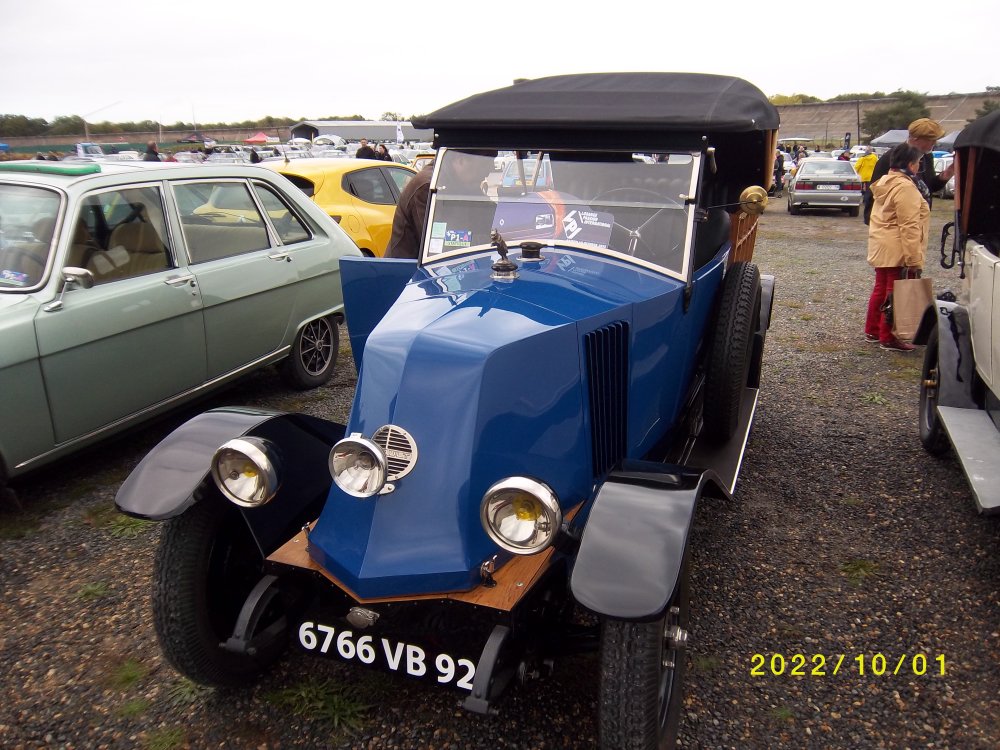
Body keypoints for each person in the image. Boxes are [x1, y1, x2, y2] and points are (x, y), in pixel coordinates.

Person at [864, 143, 930, 352]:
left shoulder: (885, 181)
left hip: (883, 243)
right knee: (896, 291)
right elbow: (909, 224)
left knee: (882, 287)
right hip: (898, 246)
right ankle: (889, 335)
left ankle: (873, 330)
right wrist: (914, 258)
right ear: (910, 165)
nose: (918, 167)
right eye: (918, 163)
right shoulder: (905, 187)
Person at [863, 118, 954, 224]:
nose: (935, 143)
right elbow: (875, 192)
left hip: (918, 221)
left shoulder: (926, 156)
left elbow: (930, 187)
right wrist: (876, 223)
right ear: (915, 139)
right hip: (894, 225)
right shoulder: (892, 157)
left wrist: (949, 172)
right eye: (931, 140)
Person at [385, 160, 434, 259]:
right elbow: (431, 243)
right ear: (459, 161)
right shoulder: (428, 185)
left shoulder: (438, 179)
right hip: (404, 264)